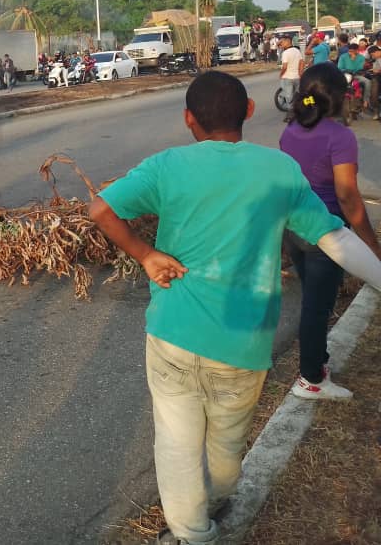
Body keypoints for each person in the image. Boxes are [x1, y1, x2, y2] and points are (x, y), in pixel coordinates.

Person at [89, 71, 381, 545]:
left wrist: (146, 255)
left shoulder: (167, 165)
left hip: (174, 331)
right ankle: (221, 496)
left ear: (188, 119)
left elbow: (100, 209)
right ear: (248, 113)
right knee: (226, 441)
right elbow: (336, 239)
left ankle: (192, 534)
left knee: (177, 441)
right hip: (244, 342)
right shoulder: (278, 170)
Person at [280, 63, 381, 400]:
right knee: (316, 307)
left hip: (295, 229)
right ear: (338, 98)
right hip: (326, 234)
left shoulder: (290, 131)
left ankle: (318, 361)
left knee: (313, 298)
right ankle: (311, 379)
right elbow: (347, 197)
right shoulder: (340, 137)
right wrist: (371, 245)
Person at [337, 41, 370, 112]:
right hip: (345, 75)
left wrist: (353, 60)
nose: (350, 52)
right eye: (349, 51)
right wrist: (346, 70)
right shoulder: (343, 56)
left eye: (352, 51)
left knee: (367, 82)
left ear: (357, 51)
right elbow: (340, 67)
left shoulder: (361, 58)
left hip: (356, 76)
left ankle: (365, 101)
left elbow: (359, 68)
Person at [278, 33, 303, 114]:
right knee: (297, 95)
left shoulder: (285, 53)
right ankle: (299, 111)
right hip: (297, 77)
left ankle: (291, 114)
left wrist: (281, 74)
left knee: (289, 98)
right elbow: (301, 63)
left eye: (283, 42)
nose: (281, 44)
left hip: (288, 77)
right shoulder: (297, 51)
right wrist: (300, 73)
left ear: (288, 41)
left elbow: (284, 67)